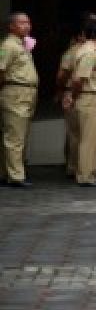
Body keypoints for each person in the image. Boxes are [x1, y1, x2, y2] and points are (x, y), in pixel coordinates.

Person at [65, 21, 96, 187]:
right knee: (89, 140)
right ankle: (87, 176)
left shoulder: (90, 51)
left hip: (89, 98)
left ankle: (88, 173)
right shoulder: (89, 53)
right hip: (89, 98)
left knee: (89, 139)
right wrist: (73, 96)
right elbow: (79, 79)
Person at [0, 12, 38, 188]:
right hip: (15, 92)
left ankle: (8, 173)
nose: (27, 25)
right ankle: (15, 176)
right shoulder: (8, 46)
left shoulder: (22, 45)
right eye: (22, 23)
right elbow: (1, 70)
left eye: (28, 22)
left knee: (19, 134)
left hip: (27, 93)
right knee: (15, 137)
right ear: (11, 26)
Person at [58, 13, 96, 180]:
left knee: (83, 135)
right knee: (76, 134)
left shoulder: (89, 50)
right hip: (75, 92)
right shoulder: (75, 51)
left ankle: (80, 167)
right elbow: (62, 74)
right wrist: (63, 92)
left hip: (81, 92)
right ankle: (75, 167)